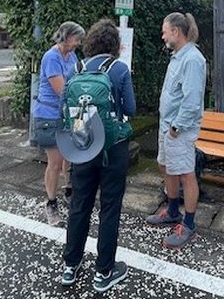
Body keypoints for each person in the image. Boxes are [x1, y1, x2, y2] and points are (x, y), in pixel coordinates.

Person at [60, 19, 135, 292]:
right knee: (109, 207)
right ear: (115, 44)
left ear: (90, 42)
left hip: (83, 144)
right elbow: (132, 108)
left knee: (80, 203)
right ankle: (104, 272)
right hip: (113, 147)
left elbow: (64, 107)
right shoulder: (119, 69)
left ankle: (71, 265)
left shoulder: (77, 68)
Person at [145, 13, 207, 249]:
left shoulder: (192, 59)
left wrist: (176, 127)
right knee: (168, 168)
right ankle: (172, 210)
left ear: (176, 32)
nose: (162, 36)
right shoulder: (178, 56)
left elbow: (191, 99)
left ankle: (189, 223)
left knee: (186, 173)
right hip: (168, 125)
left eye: (164, 31)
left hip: (179, 128)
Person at [33, 21, 85, 226]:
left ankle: (68, 189)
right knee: (54, 162)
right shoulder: (51, 57)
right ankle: (51, 203)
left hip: (66, 113)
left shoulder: (71, 55)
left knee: (69, 155)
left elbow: (79, 76)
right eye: (76, 38)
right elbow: (62, 90)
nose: (78, 43)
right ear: (66, 36)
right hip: (49, 115)